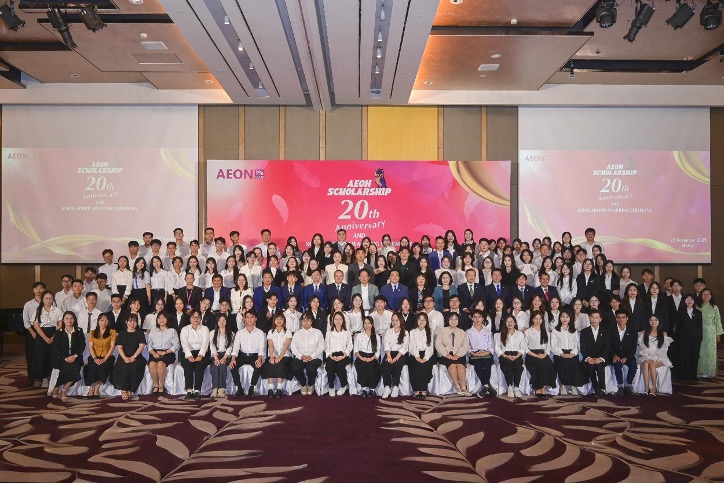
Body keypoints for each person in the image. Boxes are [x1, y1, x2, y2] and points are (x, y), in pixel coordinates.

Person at [29, 291, 63, 388]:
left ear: (53, 300)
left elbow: (60, 324)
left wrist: (53, 337)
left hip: (54, 333)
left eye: (50, 298)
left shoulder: (57, 310)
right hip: (42, 334)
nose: (48, 300)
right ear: (43, 299)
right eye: (46, 298)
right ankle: (42, 378)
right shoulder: (38, 310)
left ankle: (51, 377)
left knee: (53, 356)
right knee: (41, 356)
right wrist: (45, 338)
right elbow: (36, 325)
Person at [229, 309, 266, 397]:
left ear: (255, 319)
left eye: (252, 317)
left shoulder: (260, 333)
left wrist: (259, 358)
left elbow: (262, 348)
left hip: (255, 355)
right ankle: (239, 388)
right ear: (244, 319)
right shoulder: (240, 333)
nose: (249, 319)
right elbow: (236, 347)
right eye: (247, 317)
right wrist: (233, 359)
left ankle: (251, 388)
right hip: (243, 355)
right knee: (233, 366)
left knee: (258, 365)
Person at [50, 311, 86, 401]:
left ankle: (63, 389)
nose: (69, 321)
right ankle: (57, 387)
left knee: (75, 368)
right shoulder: (58, 332)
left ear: (74, 320)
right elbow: (55, 348)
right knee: (66, 367)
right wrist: (65, 358)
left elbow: (82, 345)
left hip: (76, 357)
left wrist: (75, 356)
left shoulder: (79, 331)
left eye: (71, 318)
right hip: (62, 357)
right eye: (67, 318)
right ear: (63, 320)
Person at [112, 313, 147, 400]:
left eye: (134, 322)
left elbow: (141, 346)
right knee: (124, 366)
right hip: (123, 356)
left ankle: (130, 389)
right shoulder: (121, 333)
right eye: (130, 321)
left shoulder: (140, 333)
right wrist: (125, 358)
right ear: (126, 322)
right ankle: (124, 390)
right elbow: (119, 347)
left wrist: (134, 356)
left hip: (137, 357)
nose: (132, 324)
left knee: (134, 366)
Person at [291, 312, 325, 395]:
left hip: (315, 357)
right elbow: (293, 347)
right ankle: (302, 384)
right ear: (301, 321)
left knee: (311, 368)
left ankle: (310, 384)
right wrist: (301, 356)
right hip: (300, 357)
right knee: (295, 368)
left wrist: (311, 356)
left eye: (308, 320)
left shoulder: (318, 332)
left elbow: (321, 347)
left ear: (312, 321)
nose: (306, 322)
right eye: (304, 320)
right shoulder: (297, 333)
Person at [638, 315, 673, 395]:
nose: (653, 322)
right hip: (647, 355)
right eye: (651, 320)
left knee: (652, 364)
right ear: (648, 322)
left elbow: (663, 349)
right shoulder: (644, 333)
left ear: (659, 321)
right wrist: (648, 356)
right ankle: (646, 388)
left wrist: (654, 357)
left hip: (660, 357)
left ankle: (654, 387)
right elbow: (643, 347)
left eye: (656, 320)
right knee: (646, 363)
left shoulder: (663, 333)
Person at [551, 309, 583, 396]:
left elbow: (577, 344)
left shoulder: (574, 330)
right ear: (560, 318)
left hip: (572, 352)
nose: (565, 319)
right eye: (563, 317)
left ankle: (573, 386)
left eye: (567, 317)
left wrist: (573, 353)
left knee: (573, 364)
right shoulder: (555, 330)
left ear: (570, 318)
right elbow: (554, 345)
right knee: (563, 364)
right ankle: (563, 386)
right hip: (559, 353)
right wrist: (562, 354)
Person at [179, 309, 211, 398]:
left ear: (201, 319)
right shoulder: (185, 329)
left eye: (198, 317)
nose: (196, 319)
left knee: (199, 365)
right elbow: (184, 343)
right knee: (188, 365)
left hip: (202, 352)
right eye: (193, 317)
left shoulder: (205, 329)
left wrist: (200, 355)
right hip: (188, 352)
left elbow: (205, 343)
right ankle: (189, 390)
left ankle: (197, 390)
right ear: (190, 319)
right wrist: (189, 356)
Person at [84, 313, 116, 397]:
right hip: (94, 356)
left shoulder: (112, 332)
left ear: (108, 322)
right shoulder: (92, 332)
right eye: (101, 320)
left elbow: (112, 347)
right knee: (92, 366)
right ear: (98, 321)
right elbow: (91, 347)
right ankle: (91, 388)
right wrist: (95, 358)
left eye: (106, 321)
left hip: (107, 356)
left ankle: (97, 388)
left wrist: (105, 359)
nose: (103, 323)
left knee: (103, 366)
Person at [147, 311, 180, 395]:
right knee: (152, 364)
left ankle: (161, 386)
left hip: (168, 353)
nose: (161, 320)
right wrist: (154, 353)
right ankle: (156, 385)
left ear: (167, 320)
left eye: (163, 318)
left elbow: (176, 345)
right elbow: (149, 345)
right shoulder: (153, 331)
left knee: (160, 364)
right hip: (155, 353)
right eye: (159, 318)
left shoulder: (172, 331)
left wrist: (164, 352)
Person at [495, 314, 527, 398]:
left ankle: (516, 387)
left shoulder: (520, 334)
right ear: (505, 323)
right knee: (507, 365)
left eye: (511, 321)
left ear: (515, 323)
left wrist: (517, 356)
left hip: (517, 354)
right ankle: (509, 386)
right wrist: (505, 356)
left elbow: (523, 347)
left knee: (518, 365)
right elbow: (497, 348)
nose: (510, 323)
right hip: (505, 355)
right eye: (507, 322)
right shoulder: (501, 334)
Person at [580, 309, 610, 398]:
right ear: (589, 318)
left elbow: (607, 347)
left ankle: (602, 388)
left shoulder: (606, 331)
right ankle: (597, 388)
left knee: (600, 367)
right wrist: (588, 358)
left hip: (601, 358)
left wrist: (601, 358)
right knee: (590, 367)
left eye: (596, 318)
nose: (594, 320)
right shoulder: (584, 331)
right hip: (589, 358)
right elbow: (583, 347)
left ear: (600, 319)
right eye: (592, 317)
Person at [467, 309, 496, 397]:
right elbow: (467, 346)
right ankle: (487, 386)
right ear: (472, 318)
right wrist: (473, 353)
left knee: (487, 364)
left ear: (483, 318)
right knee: (478, 365)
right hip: (474, 354)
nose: (477, 319)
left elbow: (491, 346)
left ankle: (485, 386)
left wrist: (487, 352)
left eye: (479, 317)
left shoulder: (487, 332)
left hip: (486, 354)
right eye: (475, 317)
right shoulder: (468, 332)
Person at [22, 281, 46, 386]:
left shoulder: (49, 301)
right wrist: (32, 332)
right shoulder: (28, 304)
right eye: (36, 288)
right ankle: (31, 378)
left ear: (44, 290)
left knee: (44, 355)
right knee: (31, 355)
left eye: (40, 288)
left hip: (45, 330)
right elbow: (26, 321)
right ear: (33, 290)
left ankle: (44, 377)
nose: (38, 290)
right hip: (32, 331)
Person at [610, 309, 638, 396]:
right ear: (616, 319)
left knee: (633, 366)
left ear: (627, 318)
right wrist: (614, 355)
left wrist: (627, 357)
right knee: (617, 365)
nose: (621, 319)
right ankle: (620, 386)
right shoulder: (610, 330)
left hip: (628, 355)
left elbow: (633, 347)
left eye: (623, 317)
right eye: (619, 317)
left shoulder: (633, 330)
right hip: (615, 355)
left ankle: (628, 386)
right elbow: (609, 345)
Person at [325, 311, 353, 396]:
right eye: (336, 319)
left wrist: (344, 355)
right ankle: (331, 386)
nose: (338, 321)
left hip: (343, 355)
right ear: (333, 321)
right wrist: (330, 355)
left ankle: (344, 385)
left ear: (343, 320)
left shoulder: (347, 332)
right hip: (332, 354)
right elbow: (326, 346)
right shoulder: (329, 333)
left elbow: (350, 346)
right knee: (330, 366)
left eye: (340, 319)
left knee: (340, 366)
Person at [264, 312, 292, 398]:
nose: (279, 321)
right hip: (273, 355)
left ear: (284, 321)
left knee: (280, 363)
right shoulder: (270, 332)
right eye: (277, 319)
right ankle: (270, 389)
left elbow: (286, 346)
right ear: (274, 321)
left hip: (285, 355)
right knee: (271, 363)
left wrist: (279, 357)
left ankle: (279, 389)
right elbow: (270, 345)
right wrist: (272, 357)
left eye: (281, 319)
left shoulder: (288, 332)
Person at [381, 312, 409, 398]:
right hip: (389, 353)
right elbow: (386, 345)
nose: (395, 322)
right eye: (393, 320)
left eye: (397, 320)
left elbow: (404, 347)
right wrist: (389, 356)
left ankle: (396, 387)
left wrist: (397, 357)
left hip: (400, 355)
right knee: (386, 364)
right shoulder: (388, 331)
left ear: (401, 321)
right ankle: (387, 387)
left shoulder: (405, 332)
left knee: (397, 364)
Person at [408, 312, 435, 399]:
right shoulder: (412, 332)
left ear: (426, 321)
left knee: (425, 366)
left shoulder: (430, 331)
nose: (421, 321)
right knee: (416, 366)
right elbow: (412, 346)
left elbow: (430, 347)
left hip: (427, 354)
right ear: (417, 321)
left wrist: (425, 358)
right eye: (419, 319)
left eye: (424, 320)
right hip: (415, 354)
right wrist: (417, 356)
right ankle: (416, 389)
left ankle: (423, 389)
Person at [697, 288, 723, 378]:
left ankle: (710, 372)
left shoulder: (714, 307)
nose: (706, 296)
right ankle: (700, 372)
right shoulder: (697, 307)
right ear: (701, 295)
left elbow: (717, 321)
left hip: (711, 333)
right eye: (704, 294)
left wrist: (718, 334)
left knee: (710, 352)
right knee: (700, 352)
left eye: (708, 294)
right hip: (699, 333)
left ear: (711, 296)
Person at [677, 294, 703, 381]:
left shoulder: (698, 313)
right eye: (687, 299)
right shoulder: (680, 312)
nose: (689, 301)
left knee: (694, 356)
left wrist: (699, 337)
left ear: (694, 301)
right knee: (684, 356)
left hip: (695, 339)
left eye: (691, 299)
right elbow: (678, 327)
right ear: (684, 301)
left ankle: (693, 375)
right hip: (684, 339)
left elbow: (700, 327)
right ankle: (684, 375)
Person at [354, 316, 382, 398]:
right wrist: (362, 358)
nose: (367, 325)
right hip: (361, 356)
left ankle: (372, 389)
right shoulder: (359, 336)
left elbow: (378, 352)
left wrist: (371, 358)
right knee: (363, 366)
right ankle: (364, 389)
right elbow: (356, 350)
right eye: (365, 323)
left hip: (372, 357)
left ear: (372, 324)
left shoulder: (376, 336)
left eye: (369, 323)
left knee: (372, 367)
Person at [209, 314, 234, 398]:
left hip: (226, 355)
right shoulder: (212, 333)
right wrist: (216, 358)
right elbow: (212, 346)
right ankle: (215, 388)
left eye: (223, 320)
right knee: (215, 365)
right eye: (219, 321)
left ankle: (222, 389)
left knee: (223, 364)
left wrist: (224, 358)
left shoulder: (231, 333)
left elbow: (230, 347)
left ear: (226, 321)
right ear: (217, 322)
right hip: (215, 355)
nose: (221, 323)